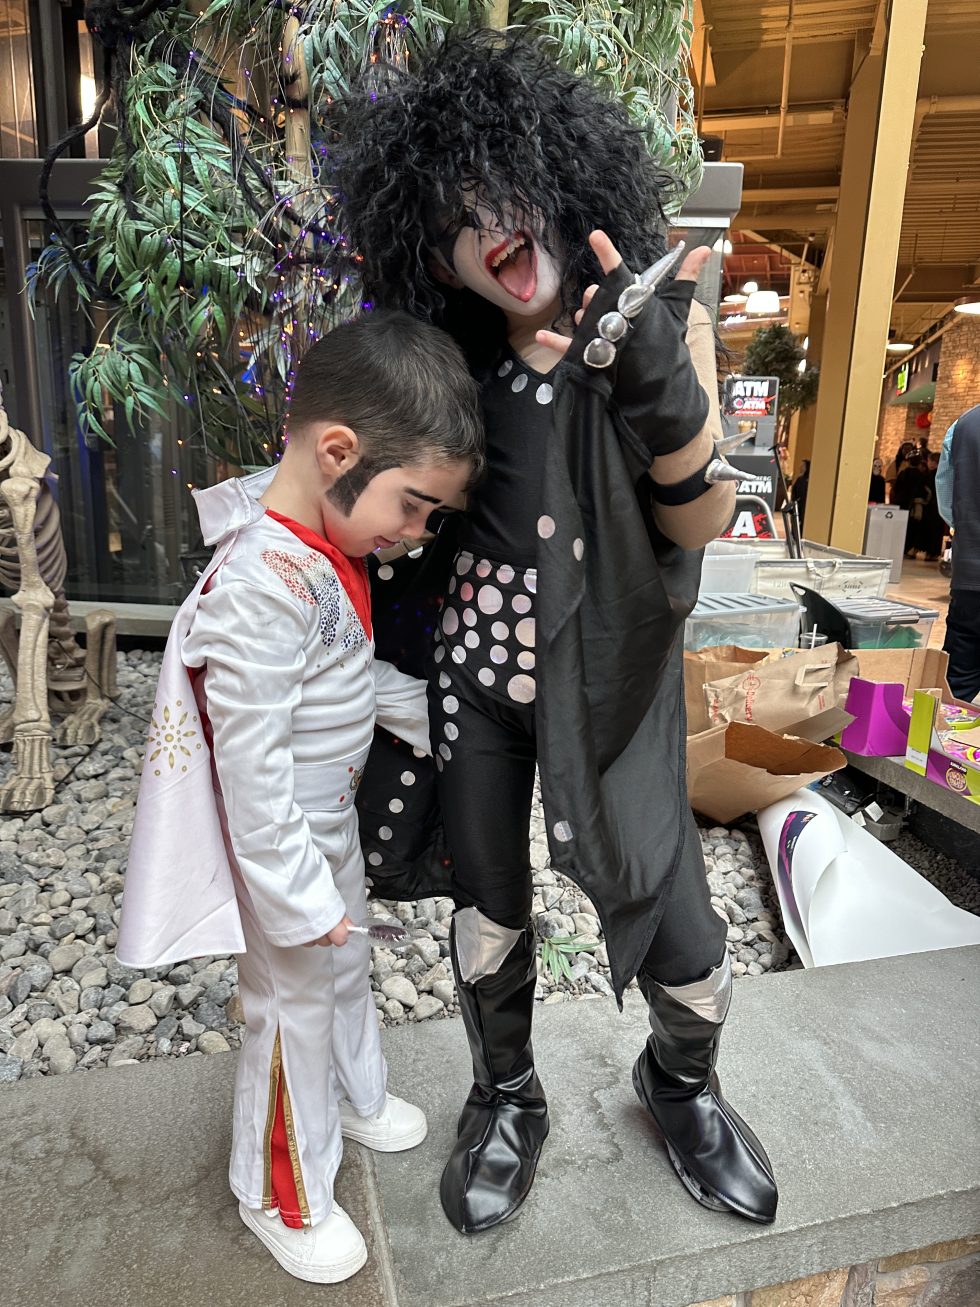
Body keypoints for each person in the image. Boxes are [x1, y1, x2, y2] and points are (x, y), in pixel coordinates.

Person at [330, 28, 778, 1236]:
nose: (488, 224)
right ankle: (505, 1093)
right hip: (472, 685)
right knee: (485, 904)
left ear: (561, 174)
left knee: (682, 929)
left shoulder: (653, 313)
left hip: (613, 687)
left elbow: (700, 516)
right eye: (453, 215)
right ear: (430, 251)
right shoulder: (450, 360)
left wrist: (653, 379)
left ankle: (679, 1083)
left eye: (505, 184)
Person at [117, 311, 485, 1283]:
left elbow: (342, 677)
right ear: (338, 452)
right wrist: (294, 896)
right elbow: (250, 770)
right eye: (414, 505)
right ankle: (280, 1192)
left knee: (344, 973)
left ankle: (355, 1096)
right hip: (284, 845)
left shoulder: (318, 547)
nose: (415, 533)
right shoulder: (259, 584)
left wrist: (434, 716)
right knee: (291, 1012)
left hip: (328, 827)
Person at [936, 405, 980, 701]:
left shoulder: (964, 425)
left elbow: (947, 503)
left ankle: (940, 730)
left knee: (956, 688)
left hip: (971, 575)